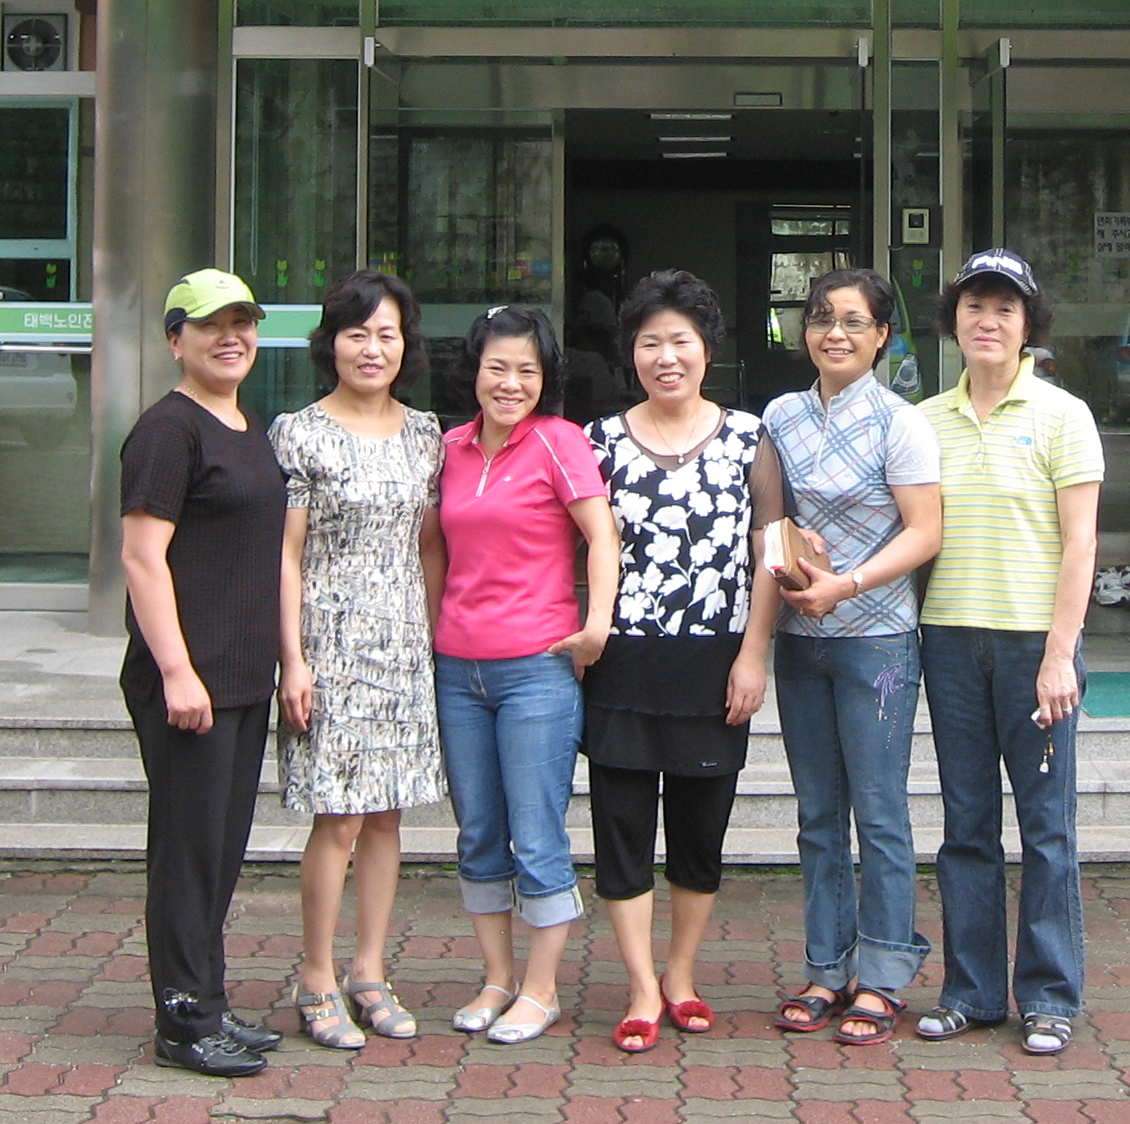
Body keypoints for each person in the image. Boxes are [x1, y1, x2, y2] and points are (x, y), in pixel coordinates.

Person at [580, 270, 775, 1054]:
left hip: (715, 666)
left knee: (700, 835)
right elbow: (577, 549)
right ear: (631, 353)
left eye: (681, 342)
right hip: (621, 666)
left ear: (707, 350)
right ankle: (638, 985)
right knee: (621, 830)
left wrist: (754, 654)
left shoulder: (750, 438)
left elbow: (769, 554)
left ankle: (682, 975)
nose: (666, 357)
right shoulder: (596, 441)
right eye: (650, 342)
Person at [914, 251, 1103, 1057]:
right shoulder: (923, 421)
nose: (987, 321)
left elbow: (1081, 544)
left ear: (1029, 325)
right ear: (953, 321)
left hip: (1035, 649)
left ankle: (1050, 997)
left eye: (1005, 308)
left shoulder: (1063, 415)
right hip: (950, 642)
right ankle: (972, 991)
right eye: (974, 307)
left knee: (1047, 828)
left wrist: (1061, 654)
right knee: (966, 826)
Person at [758, 268, 942, 1047]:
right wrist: (793, 560)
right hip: (802, 641)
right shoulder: (781, 415)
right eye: (821, 318)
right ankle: (827, 967)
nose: (834, 333)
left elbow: (925, 530)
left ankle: (885, 974)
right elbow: (770, 519)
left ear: (882, 337)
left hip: (878, 643)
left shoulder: (901, 423)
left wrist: (849, 583)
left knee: (880, 810)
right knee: (817, 815)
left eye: (853, 321)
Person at [427, 304, 620, 1045]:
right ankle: (496, 979)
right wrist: (431, 630)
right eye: (497, 368)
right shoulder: (449, 447)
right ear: (474, 371)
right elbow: (434, 550)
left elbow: (601, 536)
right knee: (478, 832)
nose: (510, 383)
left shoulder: (560, 442)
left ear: (546, 379)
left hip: (536, 669)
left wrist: (595, 624)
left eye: (527, 371)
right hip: (458, 670)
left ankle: (541, 990)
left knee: (537, 832)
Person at [117, 269, 288, 1079]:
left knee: (219, 851)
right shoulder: (168, 431)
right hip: (190, 684)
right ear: (174, 340)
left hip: (243, 677)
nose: (231, 337)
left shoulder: (248, 426)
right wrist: (177, 671)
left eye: (242, 323)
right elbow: (141, 559)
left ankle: (209, 1002)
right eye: (211, 325)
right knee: (187, 855)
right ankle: (183, 1022)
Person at [272, 271, 447, 1050]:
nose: (372, 348)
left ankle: (369, 972)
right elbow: (286, 555)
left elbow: (430, 546)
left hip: (404, 645)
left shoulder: (426, 433)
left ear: (405, 345)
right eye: (356, 333)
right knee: (337, 817)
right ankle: (316, 976)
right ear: (331, 344)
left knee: (386, 815)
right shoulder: (298, 433)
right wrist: (292, 659)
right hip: (330, 645)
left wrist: (431, 641)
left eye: (387, 334)